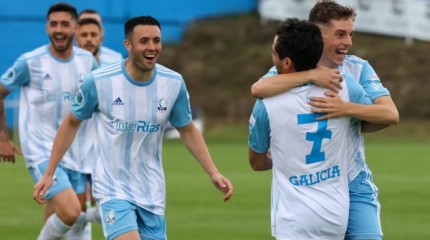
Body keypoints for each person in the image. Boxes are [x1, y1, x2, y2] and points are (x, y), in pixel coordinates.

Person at [34, 15, 233, 240]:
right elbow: (71, 122)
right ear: (128, 45)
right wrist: (49, 172)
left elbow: (186, 129)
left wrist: (213, 172)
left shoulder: (173, 82)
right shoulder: (99, 81)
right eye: (144, 41)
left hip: (152, 192)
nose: (152, 47)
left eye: (156, 40)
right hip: (112, 188)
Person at [250, 1, 399, 239]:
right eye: (340, 35)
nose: (348, 42)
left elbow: (390, 114)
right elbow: (258, 89)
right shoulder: (287, 70)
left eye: (351, 34)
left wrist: (346, 109)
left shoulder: (357, 69)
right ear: (318, 36)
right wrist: (310, 75)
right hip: (310, 188)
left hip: (355, 182)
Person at [0, 2, 98, 239]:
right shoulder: (30, 62)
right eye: (53, 24)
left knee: (65, 215)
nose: (59, 29)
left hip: (76, 153)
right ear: (46, 28)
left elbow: (98, 106)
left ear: (75, 28)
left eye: (65, 24)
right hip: (41, 151)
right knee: (71, 211)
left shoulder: (88, 62)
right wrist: (3, 137)